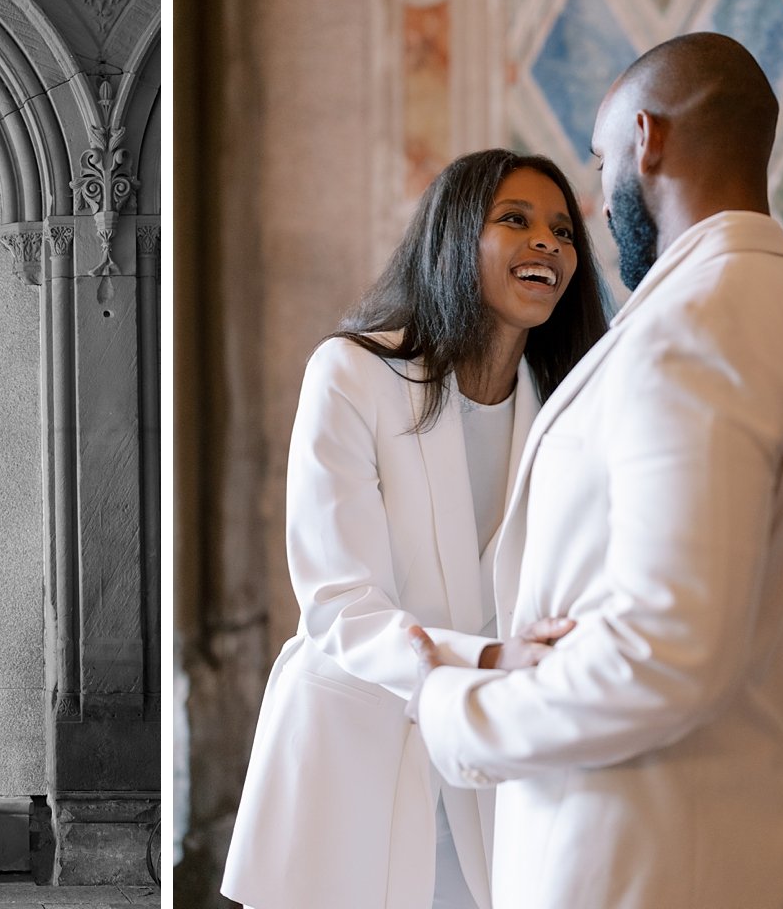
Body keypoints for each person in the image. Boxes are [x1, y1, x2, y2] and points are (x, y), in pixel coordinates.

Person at [408, 33, 783, 909]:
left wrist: (456, 711)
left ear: (647, 138)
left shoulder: (686, 337)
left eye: (600, 165)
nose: (595, 205)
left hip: (651, 866)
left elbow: (662, 658)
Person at [221, 149, 611, 909]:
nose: (549, 244)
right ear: (456, 237)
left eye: (563, 231)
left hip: (492, 770)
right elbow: (340, 604)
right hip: (352, 757)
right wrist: (497, 657)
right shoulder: (353, 373)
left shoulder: (571, 415)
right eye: (516, 220)